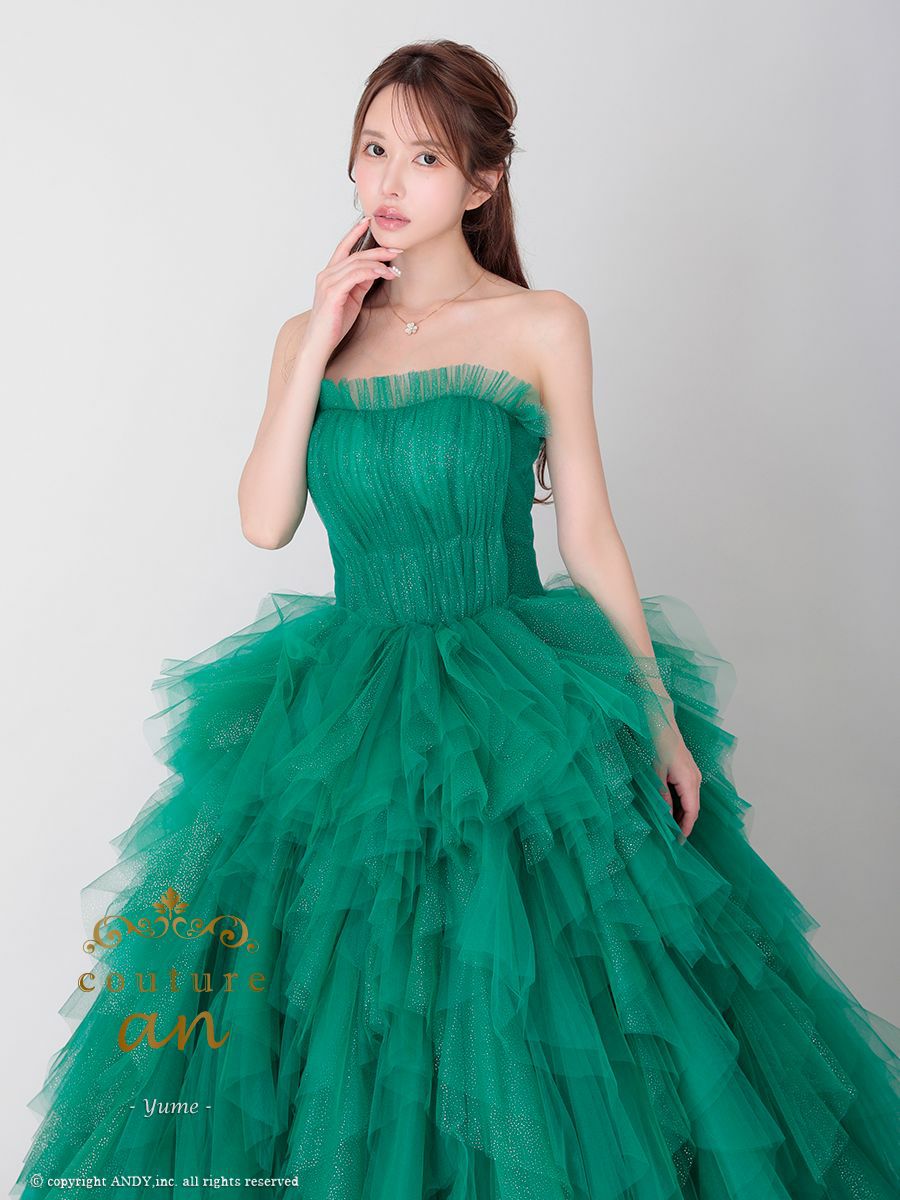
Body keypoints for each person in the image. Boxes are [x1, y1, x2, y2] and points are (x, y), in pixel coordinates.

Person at [13, 38, 900, 1200]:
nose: (388, 181)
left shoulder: (541, 325)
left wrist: (658, 719)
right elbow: (265, 523)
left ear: (482, 182)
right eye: (373, 150)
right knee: (336, 1021)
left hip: (513, 712)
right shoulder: (310, 336)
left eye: (425, 158)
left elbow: (589, 533)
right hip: (343, 716)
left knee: (534, 1015)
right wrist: (314, 339)